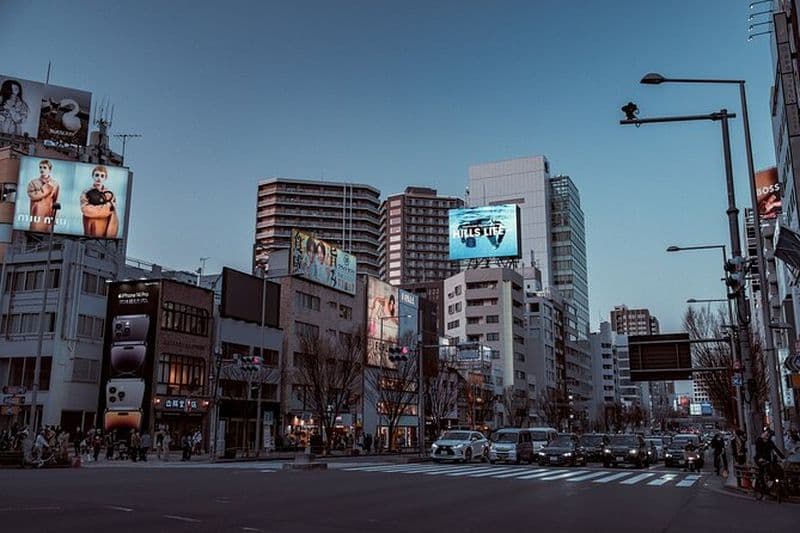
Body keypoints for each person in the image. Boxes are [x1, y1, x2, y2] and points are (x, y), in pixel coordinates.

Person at [80, 165, 118, 238]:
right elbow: (86, 210)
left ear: (105, 178)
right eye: (97, 175)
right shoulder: (86, 192)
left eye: (102, 176)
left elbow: (113, 215)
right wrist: (108, 206)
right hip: (90, 232)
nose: (99, 178)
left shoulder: (109, 194)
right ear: (93, 176)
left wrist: (96, 208)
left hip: (106, 232)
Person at [26, 159, 60, 233]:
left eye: (44, 167)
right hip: (36, 214)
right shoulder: (33, 182)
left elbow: (56, 201)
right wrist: (46, 189)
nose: (42, 169)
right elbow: (32, 196)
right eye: (40, 167)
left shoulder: (55, 184)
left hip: (48, 214)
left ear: (49, 169)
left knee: (47, 237)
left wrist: (54, 218)